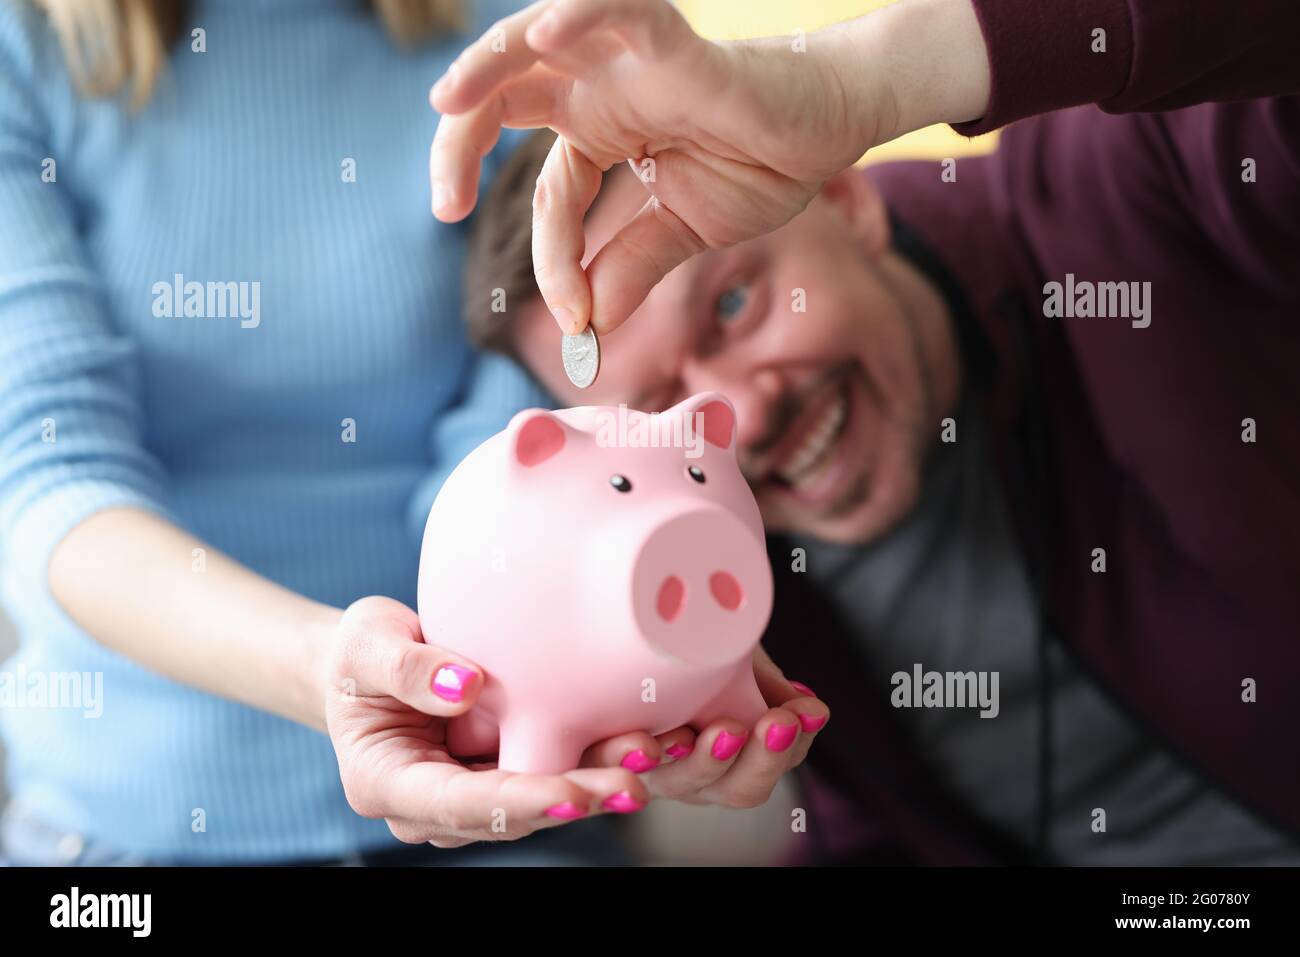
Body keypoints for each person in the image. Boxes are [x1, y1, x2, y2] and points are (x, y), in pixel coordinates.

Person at [435, 0, 1300, 862]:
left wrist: (864, 81)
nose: (744, 412)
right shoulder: (759, 600)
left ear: (845, 198)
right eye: (660, 410)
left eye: (735, 306)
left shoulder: (1121, 197)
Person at [0, 0, 826, 867]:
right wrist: (338, 671)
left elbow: (522, 443)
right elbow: (51, 477)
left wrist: (633, 650)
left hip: (497, 788)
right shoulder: (24, 49)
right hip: (132, 827)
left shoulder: (514, 28)